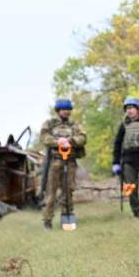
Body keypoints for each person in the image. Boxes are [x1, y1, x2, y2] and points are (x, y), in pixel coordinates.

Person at [39, 98, 87, 230]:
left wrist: (70, 141)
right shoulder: (50, 123)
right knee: (51, 193)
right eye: (63, 109)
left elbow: (83, 137)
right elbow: (44, 137)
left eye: (68, 109)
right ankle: (47, 221)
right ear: (58, 110)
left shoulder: (75, 125)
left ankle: (67, 220)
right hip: (55, 161)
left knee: (68, 191)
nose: (66, 112)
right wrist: (58, 142)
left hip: (70, 162)